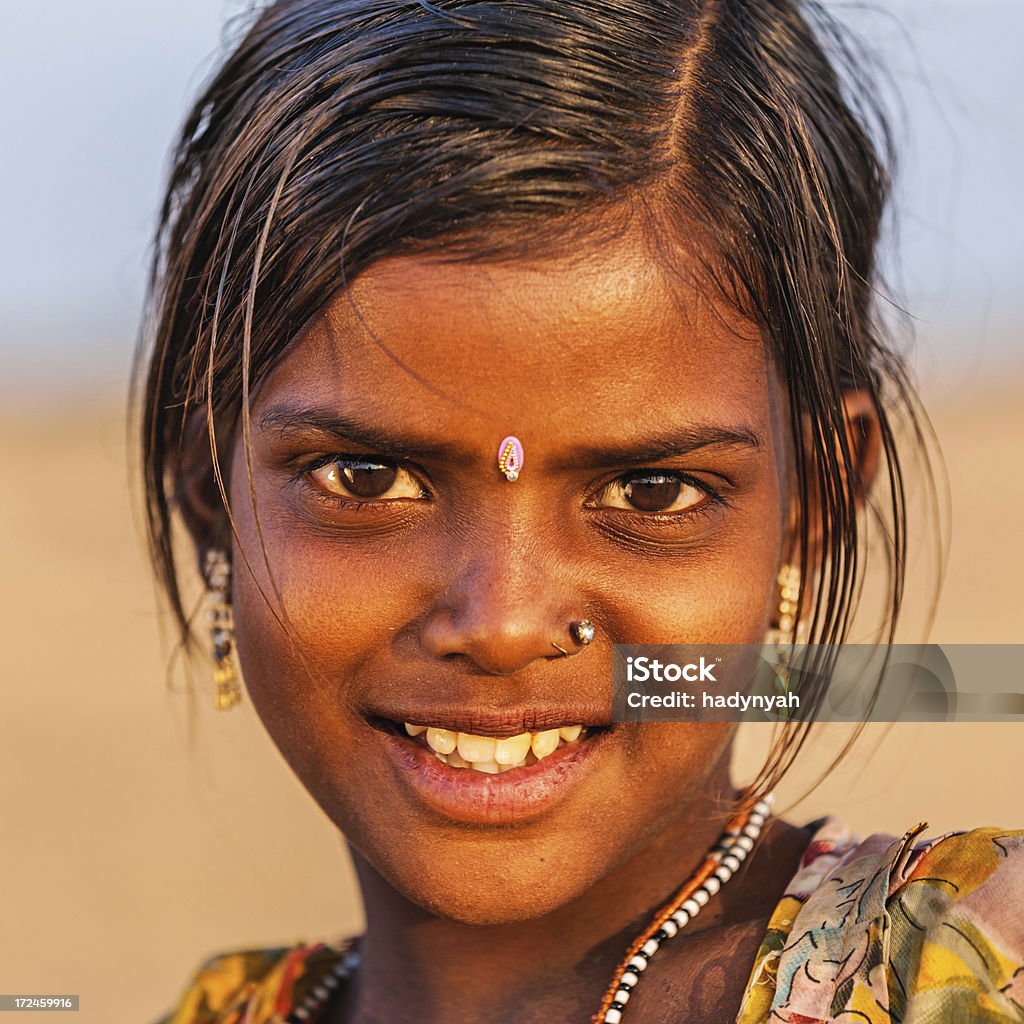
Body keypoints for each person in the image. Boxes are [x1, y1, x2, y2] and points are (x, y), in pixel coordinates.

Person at [137, 1, 1024, 1021]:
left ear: (810, 505)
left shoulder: (968, 972)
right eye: (369, 478)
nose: (503, 622)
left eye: (651, 491)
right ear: (208, 488)